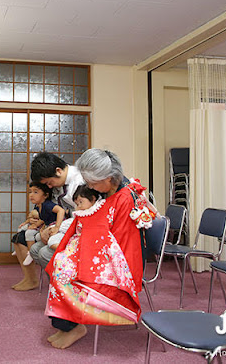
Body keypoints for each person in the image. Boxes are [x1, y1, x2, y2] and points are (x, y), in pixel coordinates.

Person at [44, 148, 156, 349]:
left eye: (93, 182)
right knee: (60, 262)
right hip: (101, 247)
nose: (90, 186)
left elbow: (122, 241)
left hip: (119, 259)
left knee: (65, 273)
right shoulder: (105, 190)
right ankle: (65, 325)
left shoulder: (126, 196)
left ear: (109, 177)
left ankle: (74, 327)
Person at [28, 152, 84, 269]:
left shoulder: (79, 182)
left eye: (49, 182)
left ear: (58, 171)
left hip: (80, 229)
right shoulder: (58, 184)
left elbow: (82, 216)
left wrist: (57, 229)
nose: (49, 187)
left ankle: (66, 285)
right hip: (64, 226)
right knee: (34, 249)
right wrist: (45, 229)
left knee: (45, 253)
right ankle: (56, 284)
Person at [11, 181, 65, 290]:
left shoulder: (48, 204)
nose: (31, 195)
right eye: (30, 192)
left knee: (29, 235)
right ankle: (28, 278)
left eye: (35, 192)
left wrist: (57, 227)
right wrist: (31, 222)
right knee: (19, 235)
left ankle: (31, 263)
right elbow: (42, 219)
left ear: (45, 194)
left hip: (54, 231)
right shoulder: (39, 206)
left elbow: (60, 211)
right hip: (44, 228)